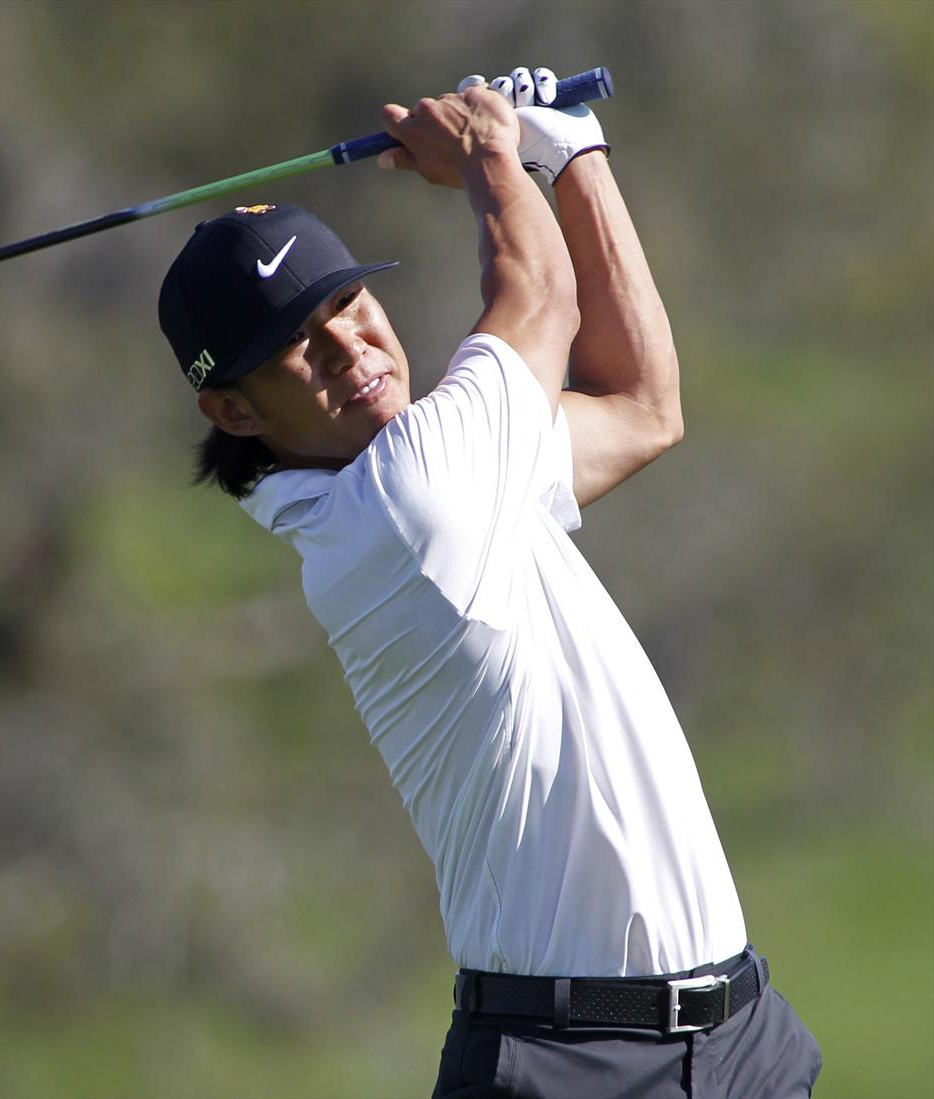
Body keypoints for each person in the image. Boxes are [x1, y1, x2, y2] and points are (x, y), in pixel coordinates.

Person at [157, 67, 822, 1098]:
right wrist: (489, 148)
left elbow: (645, 405)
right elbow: (539, 295)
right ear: (235, 413)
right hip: (573, 1067)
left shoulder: (451, 476)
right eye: (296, 343)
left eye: (349, 301)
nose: (350, 346)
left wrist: (572, 156)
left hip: (737, 1036)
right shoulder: (407, 502)